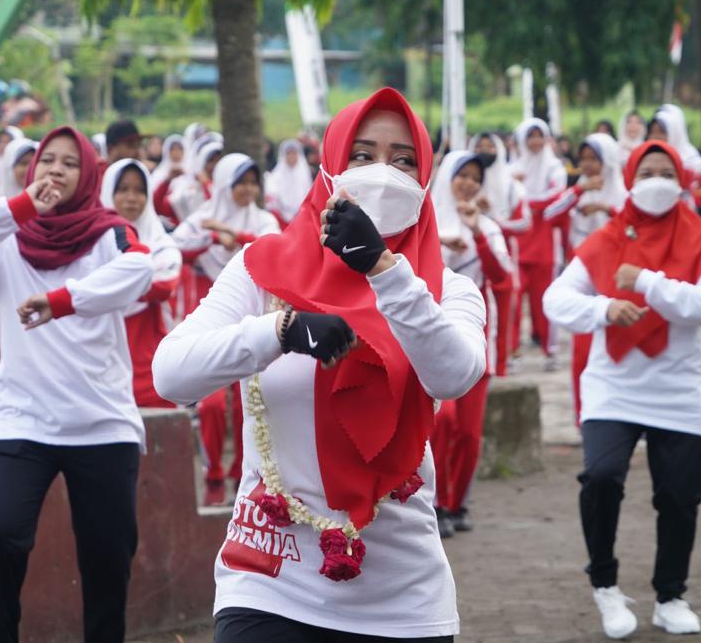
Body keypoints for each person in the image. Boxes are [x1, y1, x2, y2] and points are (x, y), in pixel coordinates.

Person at [153, 87, 485, 641]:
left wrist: (384, 270)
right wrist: (280, 331)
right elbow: (172, 374)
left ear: (425, 179)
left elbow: (452, 373)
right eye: (362, 156)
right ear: (329, 168)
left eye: (404, 160)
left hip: (402, 597)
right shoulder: (261, 270)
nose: (383, 173)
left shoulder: (448, 291)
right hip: (270, 578)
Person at [0, 126, 155, 643]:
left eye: (70, 163)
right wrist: (20, 208)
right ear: (31, 173)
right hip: (24, 421)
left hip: (101, 423)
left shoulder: (108, 233)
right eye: (47, 160)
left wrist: (62, 300)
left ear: (89, 175)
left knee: (107, 561)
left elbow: (139, 271)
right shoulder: (6, 243)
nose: (56, 169)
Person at [543, 140, 701, 639]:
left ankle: (671, 595)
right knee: (601, 477)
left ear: (682, 178)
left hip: (680, 387)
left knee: (679, 497)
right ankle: (605, 586)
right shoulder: (606, 238)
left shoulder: (698, 237)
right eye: (646, 170)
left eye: (667, 171)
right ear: (629, 175)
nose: (657, 179)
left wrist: (649, 283)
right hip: (615, 384)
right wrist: (603, 309)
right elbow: (554, 300)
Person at [170, 152, 280, 505]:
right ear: (223, 185)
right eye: (240, 183)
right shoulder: (203, 218)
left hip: (251, 318)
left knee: (247, 400)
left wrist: (235, 233)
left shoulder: (263, 219)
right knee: (212, 406)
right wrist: (215, 238)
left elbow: (272, 248)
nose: (247, 190)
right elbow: (177, 247)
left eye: (252, 183)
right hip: (210, 316)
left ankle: (239, 475)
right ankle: (214, 471)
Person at [430, 150, 511, 537]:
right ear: (447, 176)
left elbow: (501, 277)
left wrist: (477, 231)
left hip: (477, 332)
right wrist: (440, 240)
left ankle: (457, 502)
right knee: (441, 421)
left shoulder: (489, 227)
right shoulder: (424, 221)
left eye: (475, 178)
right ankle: (435, 502)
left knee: (469, 431)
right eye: (461, 175)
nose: (468, 183)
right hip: (431, 333)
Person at [543, 134, 628, 424]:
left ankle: (617, 416)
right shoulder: (576, 190)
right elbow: (549, 214)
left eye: (595, 159)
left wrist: (606, 208)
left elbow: (634, 226)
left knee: (618, 349)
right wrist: (579, 192)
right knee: (582, 352)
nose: (589, 165)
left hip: (617, 281)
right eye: (585, 159)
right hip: (581, 279)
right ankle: (584, 418)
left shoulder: (624, 195)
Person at [100, 159, 182, 407]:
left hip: (149, 358)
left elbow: (165, 285)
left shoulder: (161, 243)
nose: (131, 198)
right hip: (103, 356)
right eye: (123, 189)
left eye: (139, 190)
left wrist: (110, 284)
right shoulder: (93, 245)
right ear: (108, 193)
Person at [510, 118, 568, 369]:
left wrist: (527, 202)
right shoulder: (512, 169)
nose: (535, 141)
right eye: (530, 136)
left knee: (544, 300)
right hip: (517, 244)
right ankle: (511, 352)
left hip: (545, 244)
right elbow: (506, 200)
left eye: (539, 136)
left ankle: (550, 351)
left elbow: (557, 197)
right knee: (514, 300)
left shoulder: (555, 167)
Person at [473, 133, 530, 376]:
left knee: (505, 312)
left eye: (490, 147)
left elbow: (525, 222)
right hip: (469, 259)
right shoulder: (467, 180)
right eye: (480, 147)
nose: (485, 151)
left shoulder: (511, 186)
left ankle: (503, 364)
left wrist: (494, 220)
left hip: (503, 256)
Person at [264, 139, 313, 228]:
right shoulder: (276, 176)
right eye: (288, 153)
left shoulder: (304, 174)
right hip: (280, 218)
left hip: (301, 217)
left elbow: (308, 193)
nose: (291, 156)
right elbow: (273, 197)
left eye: (294, 153)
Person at [0, 138, 38, 203]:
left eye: (34, 163)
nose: (30, 169)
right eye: (23, 163)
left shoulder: (48, 205)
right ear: (9, 169)